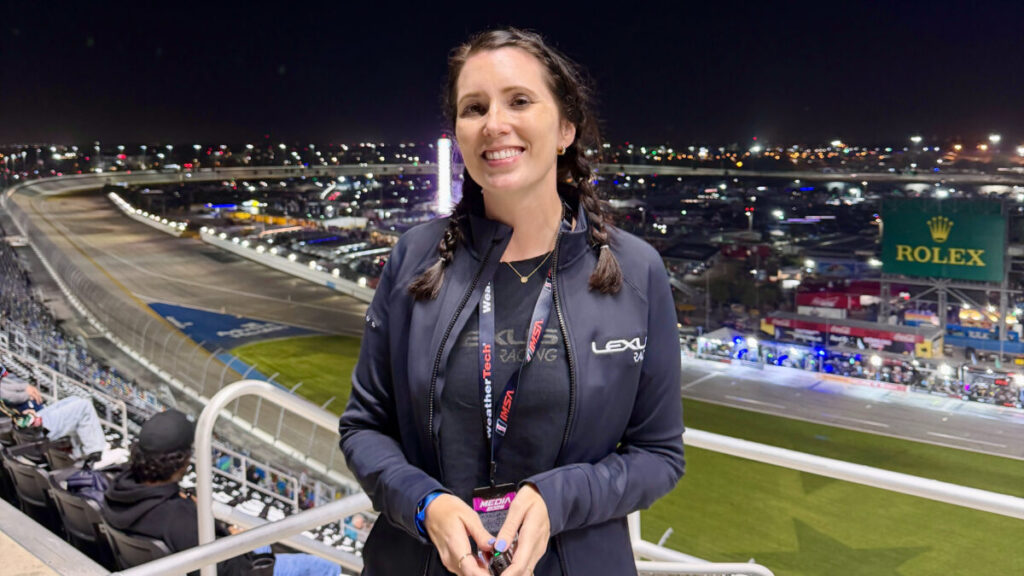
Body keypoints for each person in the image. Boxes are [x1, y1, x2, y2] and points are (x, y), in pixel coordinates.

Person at [338, 28, 685, 576]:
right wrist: (425, 504)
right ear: (457, 131)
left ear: (566, 127)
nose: (494, 123)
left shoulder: (636, 271)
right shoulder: (414, 258)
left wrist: (559, 499)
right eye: (474, 108)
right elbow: (363, 428)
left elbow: (659, 455)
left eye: (519, 101)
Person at [103, 409, 340, 576]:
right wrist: (237, 540)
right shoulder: (178, 518)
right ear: (183, 462)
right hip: (237, 568)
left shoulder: (116, 488)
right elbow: (234, 571)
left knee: (259, 537)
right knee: (324, 566)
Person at [0, 364, 127, 467]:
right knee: (83, 407)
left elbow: (5, 385)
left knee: (73, 400)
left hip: (25, 424)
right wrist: (26, 394)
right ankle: (96, 454)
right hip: (33, 429)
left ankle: (85, 450)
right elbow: (6, 394)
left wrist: (24, 388)